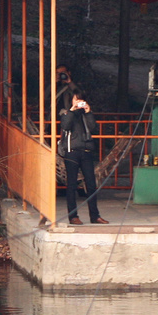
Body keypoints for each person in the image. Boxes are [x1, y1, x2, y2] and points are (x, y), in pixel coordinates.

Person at [59, 92, 107, 225]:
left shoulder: (86, 114)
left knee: (91, 184)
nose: (78, 102)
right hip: (72, 152)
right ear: (72, 100)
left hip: (86, 151)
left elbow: (93, 128)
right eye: (76, 99)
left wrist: (88, 112)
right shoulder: (66, 113)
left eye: (81, 100)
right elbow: (65, 126)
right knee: (72, 185)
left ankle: (95, 216)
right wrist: (72, 110)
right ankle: (73, 216)